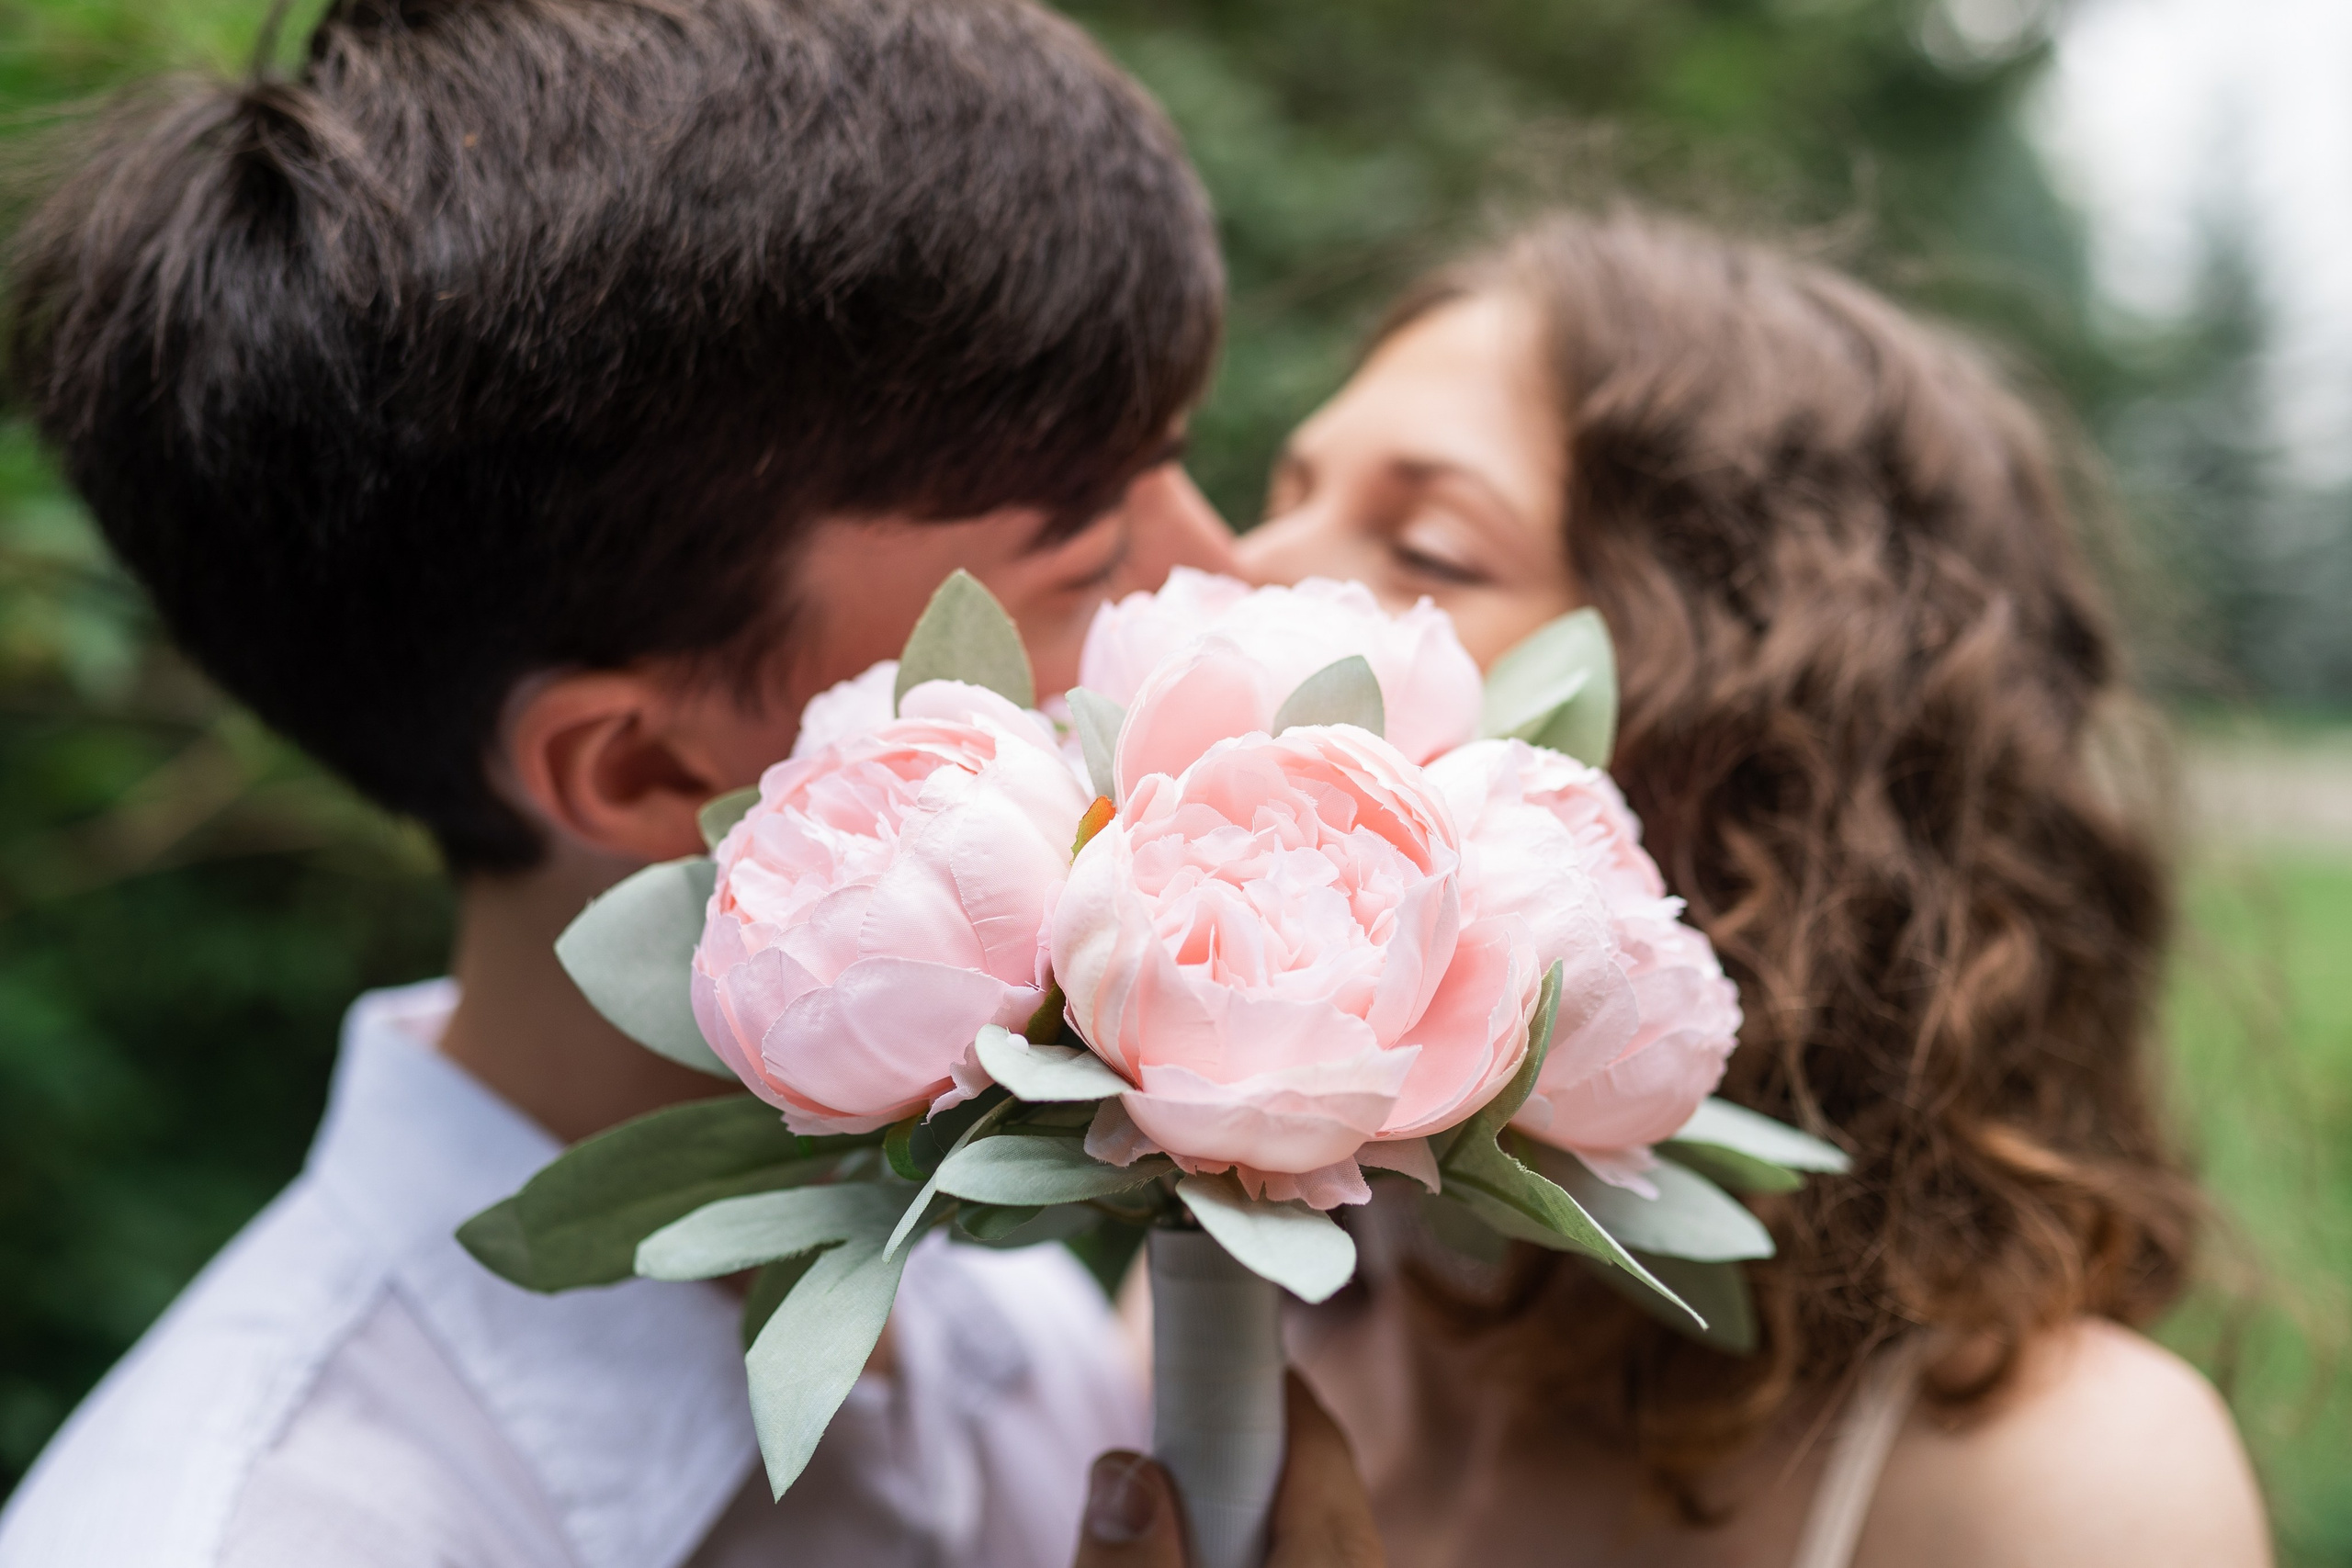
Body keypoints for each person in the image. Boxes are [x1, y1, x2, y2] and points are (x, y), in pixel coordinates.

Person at [0, 3, 1382, 1564]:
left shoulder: (1003, 1326)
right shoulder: (261, 1530)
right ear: (644, 765)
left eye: (1181, 466)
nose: (1234, 580)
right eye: (1087, 558)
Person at [1239, 209, 2271, 1567]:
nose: (1239, 572)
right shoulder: (1220, 1312)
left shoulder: (2070, 1485)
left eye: (1429, 551)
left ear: (1752, 763)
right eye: (1282, 497)